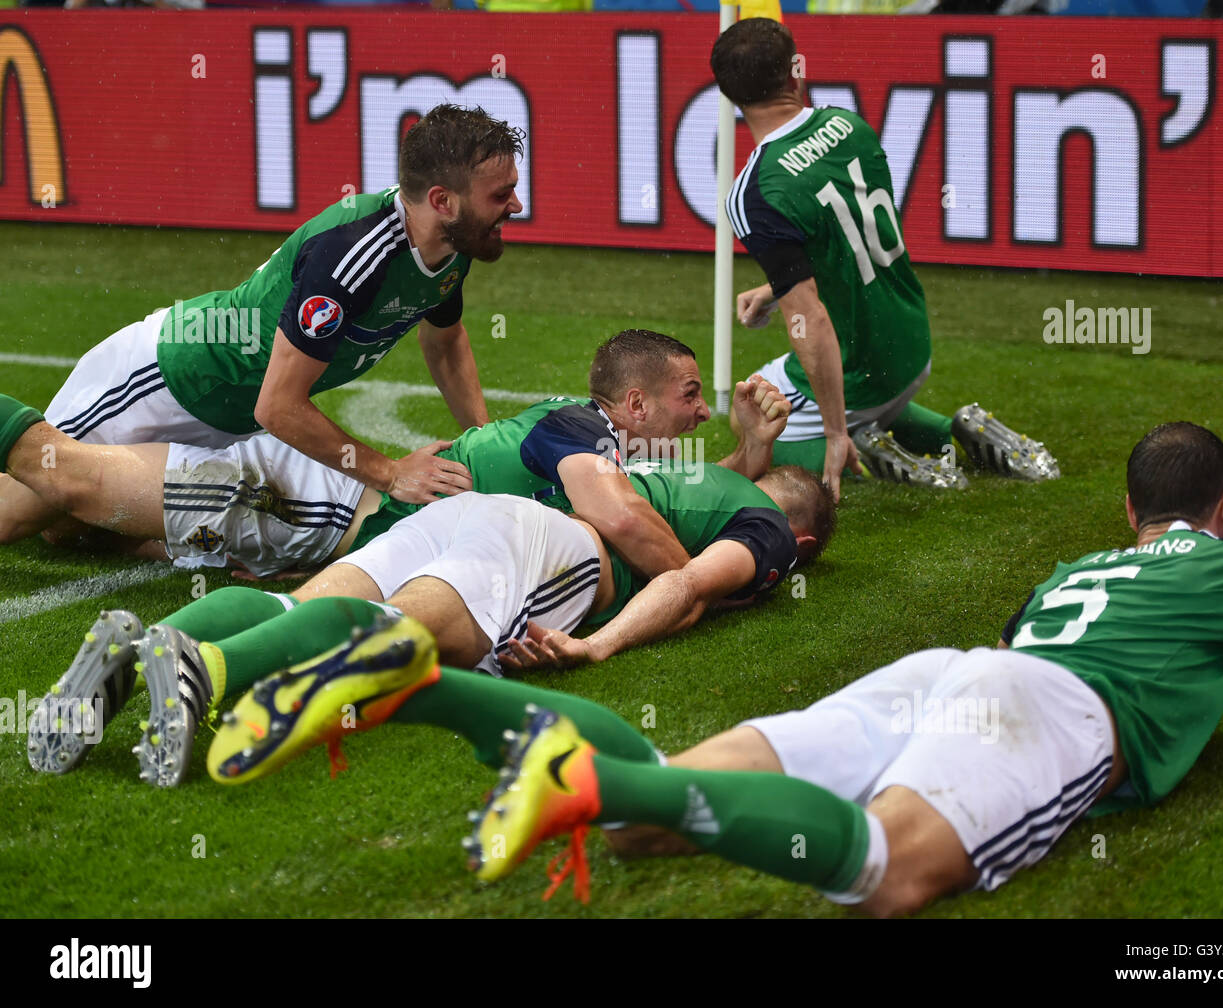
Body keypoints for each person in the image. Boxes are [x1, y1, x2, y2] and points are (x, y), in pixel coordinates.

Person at [381, 421, 1223, 915]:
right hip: (1052, 709)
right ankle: (563, 774)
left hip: (950, 673)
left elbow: (1010, 652)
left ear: (1130, 510)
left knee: (637, 820)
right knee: (891, 871)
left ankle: (418, 686)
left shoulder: (1077, 572)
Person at [26, 458, 833, 788]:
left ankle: (149, 646)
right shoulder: (766, 528)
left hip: (481, 510)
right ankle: (206, 673)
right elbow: (690, 584)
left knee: (299, 611)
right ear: (798, 542)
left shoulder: (697, 476)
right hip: (550, 551)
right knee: (396, 639)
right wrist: (597, 643)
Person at [0, 104, 524, 547]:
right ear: (442, 201)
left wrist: (479, 441)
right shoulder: (354, 257)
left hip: (229, 421)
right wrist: (391, 474)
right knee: (26, 509)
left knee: (80, 534)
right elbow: (278, 406)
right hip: (167, 381)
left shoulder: (451, 245)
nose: (516, 206)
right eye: (500, 196)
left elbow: (446, 340)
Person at [0, 330, 787, 580]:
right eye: (689, 394)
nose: (701, 409)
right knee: (63, 477)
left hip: (323, 518)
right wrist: (697, 589)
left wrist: (747, 454)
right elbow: (622, 517)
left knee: (74, 529)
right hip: (317, 506)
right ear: (637, 406)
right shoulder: (583, 431)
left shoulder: (604, 443)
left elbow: (669, 498)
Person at [712, 18, 1060, 500]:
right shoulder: (847, 124)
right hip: (913, 343)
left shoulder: (755, 191)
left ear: (730, 97)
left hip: (863, 372)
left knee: (750, 412)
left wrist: (835, 432)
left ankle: (863, 448)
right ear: (795, 73)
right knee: (859, 392)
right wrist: (776, 289)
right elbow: (852, 241)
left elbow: (810, 317)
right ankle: (954, 430)